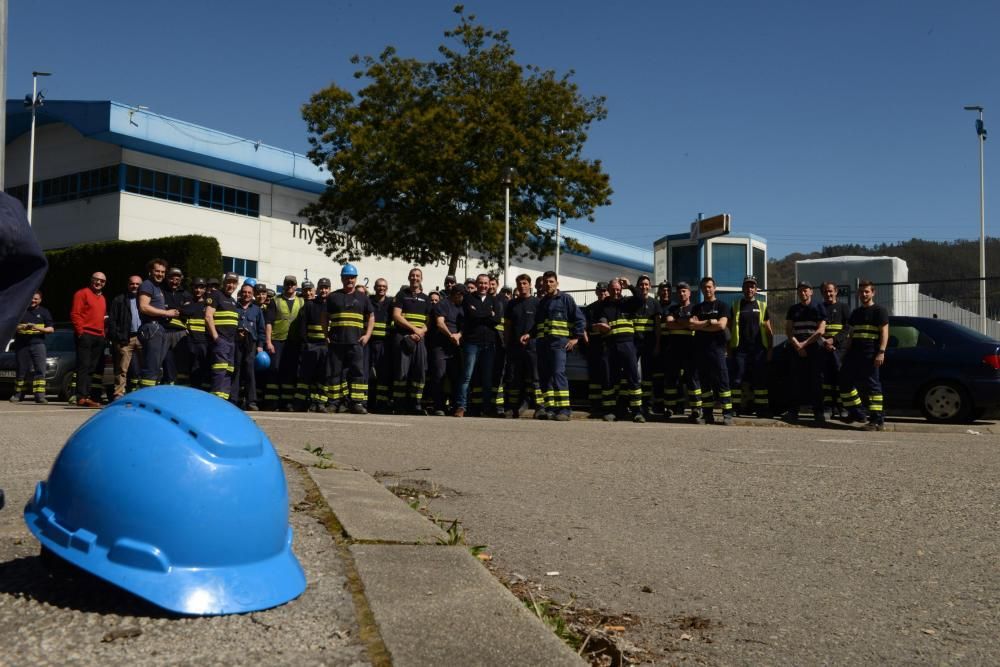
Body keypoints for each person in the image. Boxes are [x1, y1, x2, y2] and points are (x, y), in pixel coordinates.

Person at [532, 271, 585, 421]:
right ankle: (550, 408)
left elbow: (580, 319)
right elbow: (537, 325)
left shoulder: (566, 299)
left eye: (550, 281)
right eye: (545, 282)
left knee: (557, 374)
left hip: (559, 344)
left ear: (556, 283)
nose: (547, 284)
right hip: (543, 344)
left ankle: (564, 410)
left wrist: (576, 338)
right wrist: (529, 335)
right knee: (545, 377)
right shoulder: (542, 303)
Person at [841, 279, 889, 431]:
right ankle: (857, 413)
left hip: (871, 354)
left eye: (866, 291)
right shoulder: (856, 313)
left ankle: (877, 420)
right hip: (854, 354)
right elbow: (851, 334)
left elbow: (884, 333)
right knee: (844, 382)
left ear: (872, 293)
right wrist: (845, 352)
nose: (863, 294)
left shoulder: (879, 311)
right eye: (861, 292)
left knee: (873, 387)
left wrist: (881, 352)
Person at [593, 278, 644, 422]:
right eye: (613, 289)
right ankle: (610, 410)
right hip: (610, 345)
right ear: (608, 290)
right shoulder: (603, 305)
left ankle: (637, 411)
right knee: (609, 378)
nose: (616, 292)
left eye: (618, 289)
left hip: (627, 344)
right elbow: (598, 319)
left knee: (633, 378)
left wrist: (630, 286)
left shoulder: (627, 302)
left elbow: (640, 299)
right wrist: (601, 325)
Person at [325, 265, 374, 414]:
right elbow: (324, 317)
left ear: (356, 278)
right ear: (341, 278)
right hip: (336, 342)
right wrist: (325, 334)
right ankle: (334, 402)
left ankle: (357, 403)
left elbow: (371, 317)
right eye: (346, 277)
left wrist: (367, 335)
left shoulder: (363, 298)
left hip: (356, 342)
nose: (349, 280)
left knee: (357, 372)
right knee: (334, 372)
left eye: (352, 277)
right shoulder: (333, 297)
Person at [454, 274, 501, 417]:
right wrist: (488, 314)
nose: (483, 286)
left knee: (487, 377)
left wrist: (481, 313)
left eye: (486, 283)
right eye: (480, 283)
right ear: (476, 283)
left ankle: (486, 408)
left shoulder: (494, 299)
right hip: (472, 343)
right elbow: (471, 316)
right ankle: (461, 407)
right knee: (467, 376)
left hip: (489, 344)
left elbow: (497, 319)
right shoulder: (468, 298)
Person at [690, 277, 733, 425]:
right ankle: (708, 414)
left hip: (717, 349)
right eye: (704, 287)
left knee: (723, 380)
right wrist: (709, 322)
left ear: (715, 288)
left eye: (709, 287)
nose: (707, 290)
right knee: (705, 382)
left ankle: (727, 414)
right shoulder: (697, 308)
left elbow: (721, 325)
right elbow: (691, 325)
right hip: (701, 349)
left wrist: (700, 325)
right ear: (701, 289)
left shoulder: (723, 306)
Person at [727, 275, 772, 417]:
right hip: (740, 350)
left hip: (759, 350)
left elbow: (769, 329)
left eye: (752, 286)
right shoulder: (735, 305)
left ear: (756, 289)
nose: (749, 289)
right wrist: (728, 349)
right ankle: (735, 408)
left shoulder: (762, 306)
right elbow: (728, 328)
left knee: (760, 379)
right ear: (742, 289)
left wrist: (770, 349)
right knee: (737, 379)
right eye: (746, 286)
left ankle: (761, 409)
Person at [784, 281, 827, 424]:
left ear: (811, 292)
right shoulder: (793, 309)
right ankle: (793, 412)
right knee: (795, 381)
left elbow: (821, 330)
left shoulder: (819, 307)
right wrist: (797, 345)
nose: (803, 293)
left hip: (814, 349)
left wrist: (805, 344)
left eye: (806, 290)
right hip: (796, 349)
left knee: (816, 381)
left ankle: (818, 412)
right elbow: (789, 329)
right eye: (800, 290)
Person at [392, 268, 431, 414]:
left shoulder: (426, 298)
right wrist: (414, 329)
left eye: (418, 276)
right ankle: (400, 404)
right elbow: (396, 316)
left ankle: (416, 404)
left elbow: (429, 321)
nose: (415, 278)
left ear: (421, 278)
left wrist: (421, 331)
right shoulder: (402, 295)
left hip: (419, 339)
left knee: (419, 371)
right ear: (409, 277)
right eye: (413, 275)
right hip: (403, 338)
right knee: (402, 371)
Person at [136, 258, 180, 389]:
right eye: (157, 271)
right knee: (151, 367)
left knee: (155, 367)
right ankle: (145, 398)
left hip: (158, 328)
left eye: (162, 272)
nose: (160, 274)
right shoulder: (147, 285)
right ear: (150, 271)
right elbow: (143, 307)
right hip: (152, 327)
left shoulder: (157, 287)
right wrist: (166, 313)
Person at [662, 281, 702, 421]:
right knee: (671, 379)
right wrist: (687, 322)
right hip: (673, 349)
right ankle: (670, 407)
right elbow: (669, 323)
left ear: (690, 293)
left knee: (692, 379)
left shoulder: (696, 308)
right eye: (679, 291)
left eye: (684, 290)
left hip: (690, 348)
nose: (681, 293)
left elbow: (695, 324)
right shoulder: (671, 308)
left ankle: (696, 408)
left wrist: (681, 321)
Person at [503, 274, 541, 419]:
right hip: (514, 348)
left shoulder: (537, 303)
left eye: (525, 283)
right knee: (514, 378)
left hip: (533, 347)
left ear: (530, 285)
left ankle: (540, 408)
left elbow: (539, 325)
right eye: (519, 283)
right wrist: (506, 343)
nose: (522, 286)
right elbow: (507, 326)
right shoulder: (511, 304)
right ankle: (512, 408)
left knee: (535, 378)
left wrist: (530, 335)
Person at [264, 275, 304, 410]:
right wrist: (268, 342)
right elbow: (268, 323)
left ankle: (286, 402)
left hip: (294, 341)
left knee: (290, 371)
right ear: (284, 285)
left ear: (296, 286)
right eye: (287, 284)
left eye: (292, 284)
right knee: (274, 369)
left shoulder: (302, 301)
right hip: (277, 340)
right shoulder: (275, 301)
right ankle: (271, 401)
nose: (290, 286)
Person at [69, 271, 108, 407]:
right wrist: (80, 332)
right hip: (85, 334)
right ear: (91, 280)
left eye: (102, 281)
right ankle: (81, 396)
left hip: (99, 336)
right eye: (96, 280)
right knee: (83, 366)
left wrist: (102, 334)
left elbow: (101, 318)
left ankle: (87, 396)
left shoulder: (102, 298)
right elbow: (75, 314)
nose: (99, 283)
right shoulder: (82, 293)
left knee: (92, 368)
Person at [10, 290, 54, 403]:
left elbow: (51, 329)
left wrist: (37, 328)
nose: (33, 301)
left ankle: (40, 396)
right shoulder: (21, 311)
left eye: (36, 299)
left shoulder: (44, 312)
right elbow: (11, 327)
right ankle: (18, 395)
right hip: (22, 345)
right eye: (32, 298)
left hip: (38, 344)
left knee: (40, 370)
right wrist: (22, 327)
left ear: (40, 300)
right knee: (21, 370)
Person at [427, 285, 463, 416]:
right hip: (440, 346)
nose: (462, 298)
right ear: (456, 294)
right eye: (461, 295)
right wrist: (450, 335)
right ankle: (439, 406)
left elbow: (466, 325)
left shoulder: (461, 307)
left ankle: (454, 405)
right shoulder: (442, 304)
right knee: (439, 375)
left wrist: (459, 335)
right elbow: (440, 323)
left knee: (455, 377)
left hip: (455, 346)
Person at [205, 272, 241, 400]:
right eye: (228, 282)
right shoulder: (216, 295)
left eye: (233, 283)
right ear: (224, 283)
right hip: (221, 340)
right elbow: (208, 316)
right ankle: (215, 399)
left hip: (231, 342)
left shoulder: (233, 301)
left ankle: (223, 399)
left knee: (229, 370)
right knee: (220, 369)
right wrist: (216, 337)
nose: (231, 285)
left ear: (237, 285)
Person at [107, 275, 144, 399]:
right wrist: (117, 337)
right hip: (125, 338)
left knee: (147, 366)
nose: (135, 286)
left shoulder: (145, 299)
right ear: (128, 285)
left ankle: (145, 393)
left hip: (142, 337)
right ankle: (118, 393)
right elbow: (112, 321)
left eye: (137, 284)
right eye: (132, 284)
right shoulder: (119, 300)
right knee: (122, 368)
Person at [232, 282, 266, 410]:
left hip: (251, 344)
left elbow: (261, 329)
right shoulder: (234, 307)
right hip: (236, 343)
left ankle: (251, 402)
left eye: (249, 293)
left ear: (252, 295)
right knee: (236, 371)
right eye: (244, 292)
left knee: (250, 373)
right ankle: (234, 400)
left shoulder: (257, 309)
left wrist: (260, 345)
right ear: (240, 293)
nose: (246, 295)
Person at [818, 281, 849, 419]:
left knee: (839, 379)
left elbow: (848, 327)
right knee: (826, 380)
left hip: (839, 349)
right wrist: (825, 342)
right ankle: (828, 408)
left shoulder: (843, 307)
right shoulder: (820, 308)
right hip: (824, 349)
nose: (828, 294)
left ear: (836, 291)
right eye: (825, 291)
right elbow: (817, 329)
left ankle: (841, 408)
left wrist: (834, 340)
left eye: (830, 291)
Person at [582, 282, 612, 417]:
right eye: (600, 291)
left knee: (607, 375)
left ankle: (607, 405)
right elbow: (583, 326)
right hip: (593, 344)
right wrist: (586, 338)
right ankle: (594, 405)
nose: (603, 293)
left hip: (607, 344)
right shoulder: (590, 308)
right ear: (596, 292)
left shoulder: (611, 307)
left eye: (605, 291)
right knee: (594, 376)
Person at [179, 277, 210, 390]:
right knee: (189, 370)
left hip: (205, 343)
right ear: (192, 288)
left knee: (202, 370)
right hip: (190, 342)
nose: (198, 290)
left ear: (205, 289)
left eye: (201, 288)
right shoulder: (187, 304)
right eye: (196, 287)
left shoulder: (209, 305)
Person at [161, 267, 190, 384]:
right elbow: (160, 308)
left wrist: (173, 310)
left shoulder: (185, 294)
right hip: (165, 331)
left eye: (177, 279)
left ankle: (181, 387)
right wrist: (177, 309)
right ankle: (169, 384)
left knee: (181, 362)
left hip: (181, 333)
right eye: (171, 279)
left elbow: (189, 310)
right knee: (167, 361)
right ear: (167, 279)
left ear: (181, 280)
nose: (174, 281)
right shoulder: (161, 292)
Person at [368, 278, 393, 412]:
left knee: (384, 374)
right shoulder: (369, 301)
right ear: (374, 287)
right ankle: (370, 402)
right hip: (370, 342)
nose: (381, 288)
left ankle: (382, 403)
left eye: (384, 286)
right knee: (369, 373)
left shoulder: (391, 303)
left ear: (387, 288)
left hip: (385, 343)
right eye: (379, 286)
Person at [652, 281, 672, 413]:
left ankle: (674, 405)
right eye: (663, 290)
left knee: (672, 377)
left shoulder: (675, 307)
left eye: (667, 290)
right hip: (658, 345)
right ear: (658, 292)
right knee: (658, 377)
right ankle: (658, 404)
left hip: (671, 346)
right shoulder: (654, 306)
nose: (665, 292)